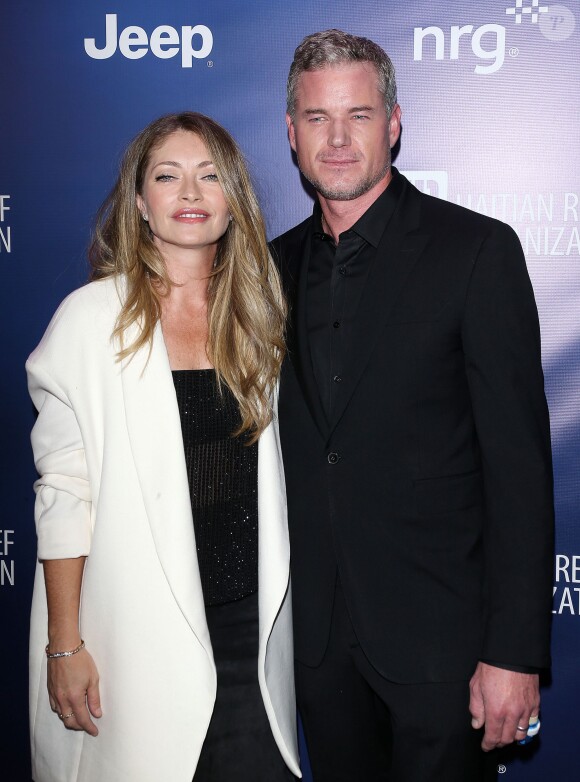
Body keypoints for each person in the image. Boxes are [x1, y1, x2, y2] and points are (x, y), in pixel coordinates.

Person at [271, 29, 554, 782]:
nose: (337, 139)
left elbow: (519, 470)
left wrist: (514, 652)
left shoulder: (475, 252)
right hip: (317, 647)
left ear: (393, 124)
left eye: (358, 116)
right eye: (317, 118)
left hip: (445, 651)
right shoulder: (267, 270)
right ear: (291, 133)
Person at [27, 112, 300, 782]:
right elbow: (64, 494)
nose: (189, 193)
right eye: (167, 176)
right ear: (141, 203)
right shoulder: (89, 322)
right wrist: (65, 646)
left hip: (252, 637)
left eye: (210, 176)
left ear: (233, 201)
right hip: (134, 638)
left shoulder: (261, 319)